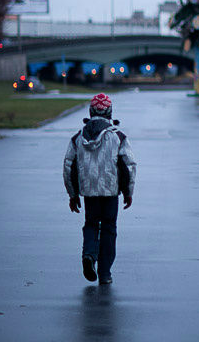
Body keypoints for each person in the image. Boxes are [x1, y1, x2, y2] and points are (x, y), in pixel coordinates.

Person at [63, 93, 136, 284]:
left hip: (88, 191)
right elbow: (129, 165)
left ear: (91, 111)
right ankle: (105, 273)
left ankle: (89, 254)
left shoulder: (78, 138)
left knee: (91, 224)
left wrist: (72, 194)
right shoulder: (118, 137)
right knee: (109, 229)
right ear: (110, 111)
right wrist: (128, 191)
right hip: (110, 191)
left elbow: (68, 165)